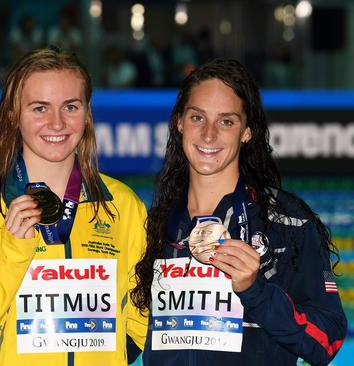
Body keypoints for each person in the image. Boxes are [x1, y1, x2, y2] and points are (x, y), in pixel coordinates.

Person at [0, 47, 149, 365]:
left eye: (71, 107)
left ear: (87, 113)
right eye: (39, 108)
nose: (57, 122)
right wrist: (13, 256)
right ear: (13, 115)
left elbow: (139, 322)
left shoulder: (124, 206)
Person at [131, 58, 347, 365]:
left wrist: (255, 290)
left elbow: (328, 342)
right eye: (197, 118)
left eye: (226, 121)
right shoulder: (155, 225)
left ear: (246, 131)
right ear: (179, 122)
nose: (208, 134)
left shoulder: (286, 222)